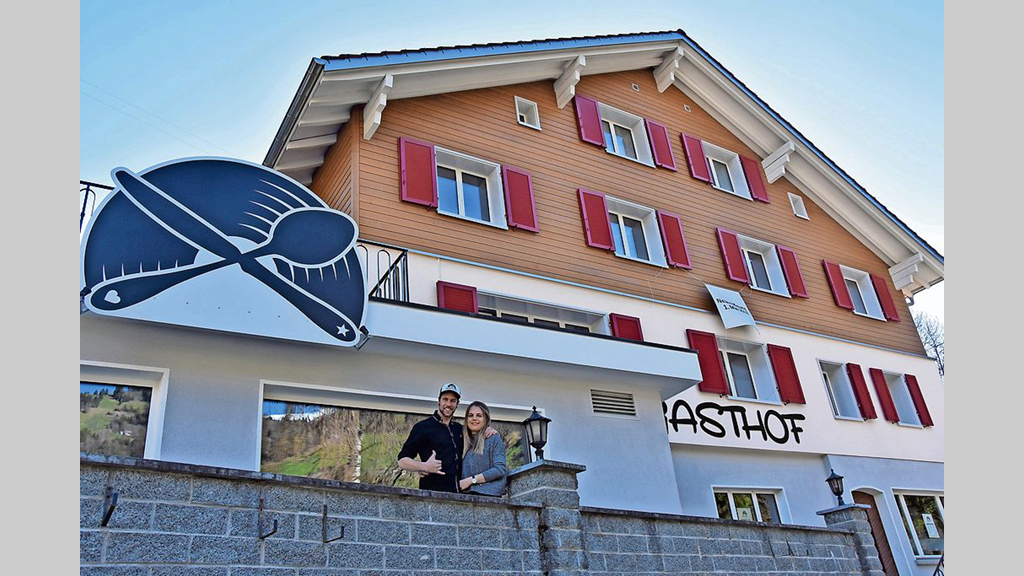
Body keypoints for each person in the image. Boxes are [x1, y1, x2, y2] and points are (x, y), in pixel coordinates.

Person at [396, 383, 497, 493]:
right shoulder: (422, 427)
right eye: (445, 399)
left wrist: (487, 430)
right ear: (438, 401)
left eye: (453, 401)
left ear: (457, 404)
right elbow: (402, 460)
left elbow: (478, 437)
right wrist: (423, 466)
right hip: (431, 494)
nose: (448, 404)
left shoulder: (461, 429)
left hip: (461, 495)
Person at [459, 401, 507, 496]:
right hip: (464, 496)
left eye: (479, 415)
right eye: (470, 415)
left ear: (485, 419)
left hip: (488, 497)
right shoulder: (461, 440)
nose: (474, 418)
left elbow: (500, 469)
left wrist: (472, 480)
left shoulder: (493, 439)